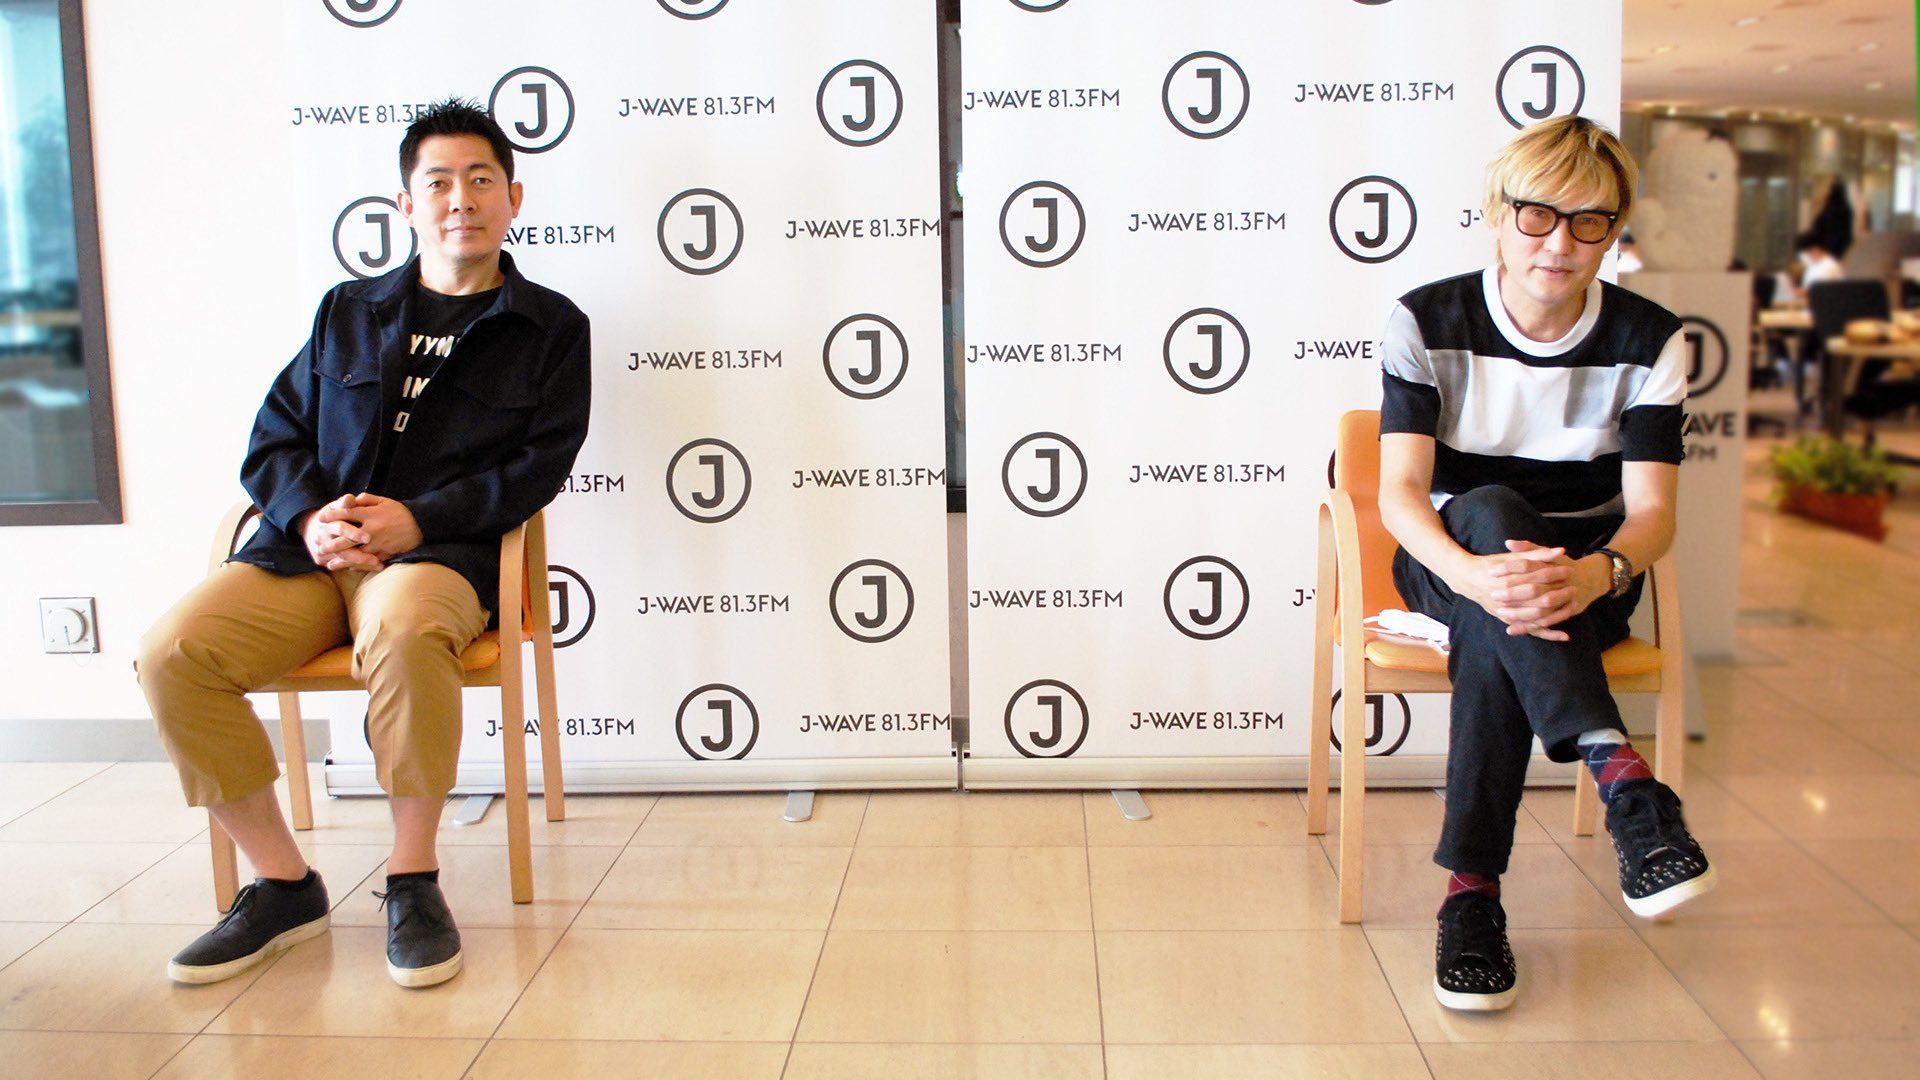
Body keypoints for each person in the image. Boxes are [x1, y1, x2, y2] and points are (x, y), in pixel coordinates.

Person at [136, 98, 591, 988]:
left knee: (405, 627)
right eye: (439, 183)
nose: (461, 200)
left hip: (438, 558)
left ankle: (412, 878)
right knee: (172, 654)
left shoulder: (551, 327)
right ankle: (282, 884)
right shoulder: (348, 310)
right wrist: (311, 518)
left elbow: (538, 467)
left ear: (513, 199)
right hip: (309, 557)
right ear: (407, 205)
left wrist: (419, 520)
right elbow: (273, 439)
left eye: (481, 180)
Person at [1375, 114, 1715, 1012]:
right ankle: (1621, 776)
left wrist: (1599, 574)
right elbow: (1401, 493)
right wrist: (1471, 573)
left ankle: (1471, 898)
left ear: (1614, 230)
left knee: (1501, 623)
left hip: (1589, 576)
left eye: (1589, 222)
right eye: (1537, 216)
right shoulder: (1426, 318)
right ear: (1498, 214)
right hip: (1449, 562)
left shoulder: (1650, 337)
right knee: (1489, 512)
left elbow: (1652, 513)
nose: (1560, 244)